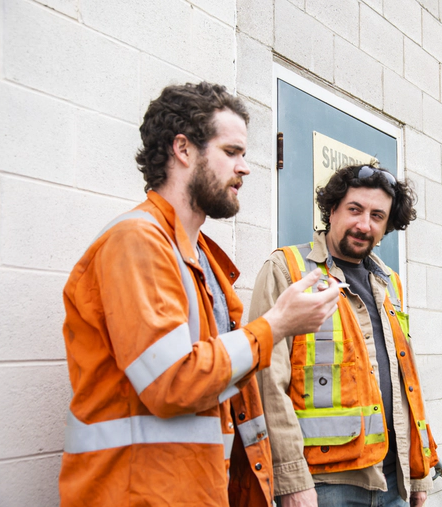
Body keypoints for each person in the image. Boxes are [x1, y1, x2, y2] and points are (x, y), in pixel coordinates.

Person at [58, 82, 340, 507]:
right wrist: (278, 324)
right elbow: (172, 383)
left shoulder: (198, 255)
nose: (245, 168)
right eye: (232, 152)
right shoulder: (137, 242)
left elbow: (219, 387)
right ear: (183, 150)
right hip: (137, 495)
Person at [251, 165, 439, 507]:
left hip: (392, 480)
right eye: (355, 209)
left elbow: (406, 380)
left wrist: (418, 470)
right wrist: (291, 480)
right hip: (324, 484)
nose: (363, 224)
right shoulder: (287, 270)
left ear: (386, 227)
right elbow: (265, 380)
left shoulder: (389, 282)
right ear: (333, 209)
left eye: (377, 216)